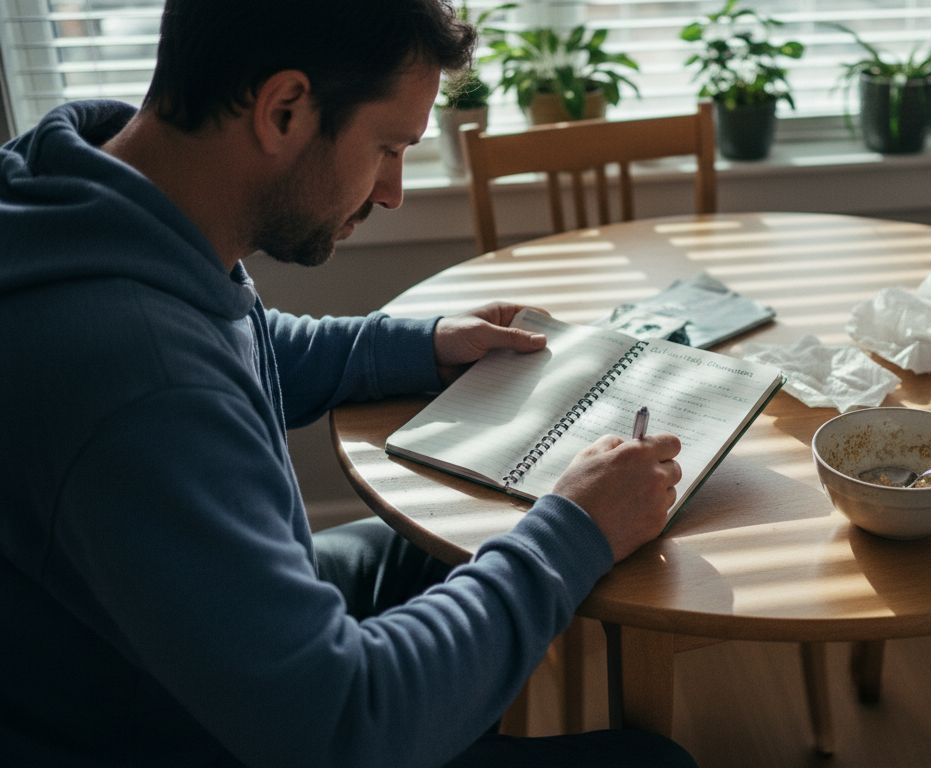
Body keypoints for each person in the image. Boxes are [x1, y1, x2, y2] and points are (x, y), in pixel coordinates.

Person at [0, 1, 694, 766]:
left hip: (160, 649)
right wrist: (576, 529)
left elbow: (240, 346)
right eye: (388, 147)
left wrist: (415, 345)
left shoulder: (87, 190)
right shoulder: (139, 382)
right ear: (285, 109)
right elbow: (347, 726)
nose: (391, 190)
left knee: (450, 547)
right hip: (176, 730)